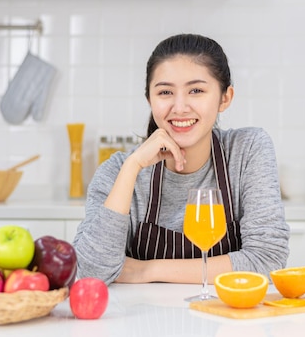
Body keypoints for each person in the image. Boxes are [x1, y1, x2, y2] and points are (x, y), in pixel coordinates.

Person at [72, 33, 290, 285]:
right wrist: (132, 167)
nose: (179, 107)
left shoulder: (247, 150)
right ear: (150, 100)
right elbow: (90, 272)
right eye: (165, 92)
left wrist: (146, 270)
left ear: (225, 98)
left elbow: (267, 260)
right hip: (139, 321)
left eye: (196, 90)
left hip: (225, 318)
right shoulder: (118, 170)